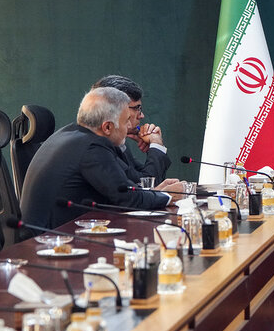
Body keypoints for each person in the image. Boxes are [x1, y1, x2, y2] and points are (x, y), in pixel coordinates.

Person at [20, 87, 182, 229]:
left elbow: (122, 190)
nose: (129, 127)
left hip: (52, 232)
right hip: (49, 242)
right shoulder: (92, 148)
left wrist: (155, 193)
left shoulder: (71, 134)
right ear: (107, 127)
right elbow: (127, 199)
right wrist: (169, 196)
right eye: (126, 121)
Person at [92, 75, 170, 183]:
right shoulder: (97, 148)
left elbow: (144, 179)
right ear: (116, 109)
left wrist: (153, 149)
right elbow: (145, 186)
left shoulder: (118, 142)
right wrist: (156, 144)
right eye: (137, 108)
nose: (141, 115)